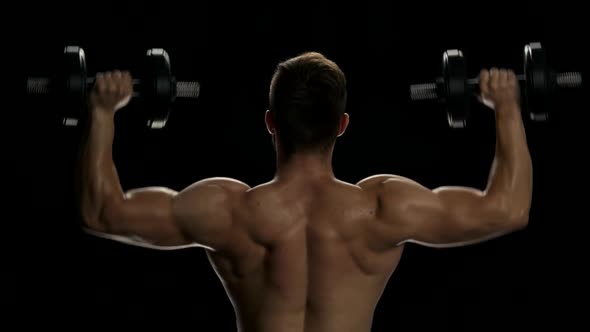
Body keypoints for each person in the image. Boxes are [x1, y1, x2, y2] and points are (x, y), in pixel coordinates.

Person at [77, 52, 532, 332]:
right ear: (342, 125)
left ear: (270, 122)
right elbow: (508, 209)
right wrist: (508, 108)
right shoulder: (381, 209)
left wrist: (102, 112)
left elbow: (102, 213)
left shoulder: (229, 210)